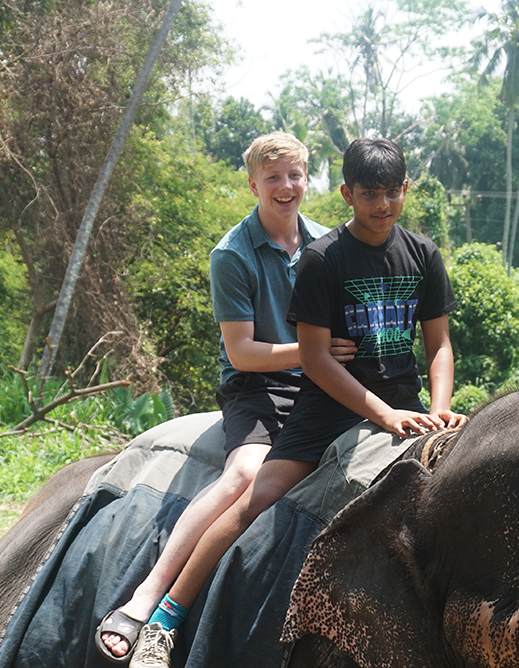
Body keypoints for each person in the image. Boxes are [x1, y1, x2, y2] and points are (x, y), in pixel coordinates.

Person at [126, 137, 466, 668]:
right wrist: (383, 415)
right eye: (370, 194)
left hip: (406, 402)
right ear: (348, 194)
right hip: (329, 406)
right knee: (254, 498)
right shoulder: (323, 258)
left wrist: (440, 407)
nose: (382, 206)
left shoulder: (423, 253)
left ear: (407, 190)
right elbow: (315, 358)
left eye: (392, 193)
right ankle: (169, 612)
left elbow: (438, 344)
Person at [95, 132, 357, 663]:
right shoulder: (232, 255)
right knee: (244, 475)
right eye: (273, 177)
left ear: (308, 179)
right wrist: (315, 352)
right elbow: (242, 354)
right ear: (253, 182)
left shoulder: (329, 243)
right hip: (258, 385)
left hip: (318, 378)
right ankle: (151, 595)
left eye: (295, 176)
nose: (286, 187)